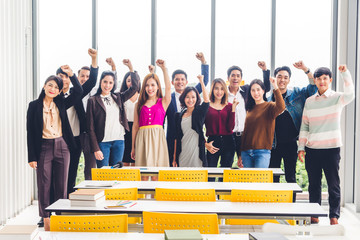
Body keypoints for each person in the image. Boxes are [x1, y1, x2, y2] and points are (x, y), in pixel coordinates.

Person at [27, 65, 83, 231]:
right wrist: (32, 156)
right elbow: (30, 132)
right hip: (43, 147)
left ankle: (59, 217)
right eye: (50, 85)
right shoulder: (34, 106)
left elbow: (79, 92)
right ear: (44, 86)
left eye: (56, 87)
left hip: (62, 146)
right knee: (44, 184)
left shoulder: (62, 104)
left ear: (60, 91)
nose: (52, 89)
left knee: (61, 185)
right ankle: (46, 219)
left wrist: (72, 75)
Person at [298, 65, 354, 225]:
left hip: (331, 149)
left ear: (330, 80)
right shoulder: (309, 101)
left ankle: (334, 216)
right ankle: (314, 214)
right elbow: (305, 126)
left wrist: (345, 73)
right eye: (319, 78)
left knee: (333, 185)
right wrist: (301, 147)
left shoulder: (337, 97)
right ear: (315, 81)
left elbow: (350, 95)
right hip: (313, 149)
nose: (322, 81)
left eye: (325, 78)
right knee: (314, 184)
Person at [56, 48, 98, 194]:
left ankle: (66, 204)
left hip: (75, 139)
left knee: (72, 172)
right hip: (57, 139)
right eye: (60, 76)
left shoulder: (76, 93)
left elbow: (92, 81)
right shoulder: (52, 97)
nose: (63, 79)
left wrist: (94, 59)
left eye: (66, 76)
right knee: (57, 175)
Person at [268, 61, 317, 183]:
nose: (282, 80)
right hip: (274, 144)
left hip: (290, 143)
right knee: (273, 178)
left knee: (291, 176)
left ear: (289, 80)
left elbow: (313, 87)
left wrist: (305, 69)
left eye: (285, 77)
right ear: (275, 79)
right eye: (279, 76)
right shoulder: (269, 99)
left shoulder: (297, 94)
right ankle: (273, 203)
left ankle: (291, 202)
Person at [87, 59, 139, 168]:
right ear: (100, 82)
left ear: (114, 83)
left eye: (111, 82)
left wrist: (131, 68)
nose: (107, 85)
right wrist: (96, 148)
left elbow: (134, 88)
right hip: (102, 143)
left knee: (116, 175)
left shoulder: (119, 97)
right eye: (105, 82)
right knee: (103, 175)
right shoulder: (93, 100)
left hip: (119, 141)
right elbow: (90, 127)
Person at [166, 53, 209, 166]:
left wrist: (203, 62)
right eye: (177, 79)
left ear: (186, 81)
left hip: (194, 144)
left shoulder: (192, 93)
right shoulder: (167, 99)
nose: (180, 81)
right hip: (173, 140)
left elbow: (204, 82)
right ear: (172, 82)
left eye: (182, 79)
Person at [226, 62, 270, 167]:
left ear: (241, 78)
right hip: (229, 135)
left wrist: (265, 71)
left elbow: (265, 88)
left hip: (244, 135)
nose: (235, 78)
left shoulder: (246, 91)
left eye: (238, 76)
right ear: (228, 78)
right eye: (233, 75)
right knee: (226, 165)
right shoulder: (223, 94)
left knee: (245, 166)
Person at [131, 59, 171, 172]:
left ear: (158, 87)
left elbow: (168, 88)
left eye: (153, 85)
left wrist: (164, 69)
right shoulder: (139, 105)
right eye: (147, 85)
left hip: (158, 138)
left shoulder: (163, 102)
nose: (150, 88)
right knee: (142, 173)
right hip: (142, 139)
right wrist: (133, 147)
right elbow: (135, 126)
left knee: (156, 174)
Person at [239, 77, 285, 168]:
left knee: (260, 181)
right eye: (253, 90)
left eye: (258, 90)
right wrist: (241, 153)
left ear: (263, 91)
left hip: (262, 151)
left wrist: (275, 86)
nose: (256, 93)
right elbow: (246, 132)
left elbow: (281, 107)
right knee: (247, 182)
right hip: (246, 152)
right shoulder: (249, 109)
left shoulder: (270, 106)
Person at [173, 75, 209, 167]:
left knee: (198, 179)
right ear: (183, 98)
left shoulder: (199, 112)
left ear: (197, 98)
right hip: (183, 152)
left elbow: (206, 100)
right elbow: (176, 138)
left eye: (193, 97)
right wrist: (174, 158)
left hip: (197, 153)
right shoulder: (178, 115)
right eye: (187, 97)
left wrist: (201, 81)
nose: (190, 100)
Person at [205, 78, 238, 175]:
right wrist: (205, 143)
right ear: (212, 90)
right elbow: (198, 127)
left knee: (225, 174)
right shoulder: (206, 106)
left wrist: (233, 110)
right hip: (212, 142)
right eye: (216, 88)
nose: (219, 92)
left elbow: (230, 128)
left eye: (222, 89)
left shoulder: (229, 106)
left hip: (228, 142)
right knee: (210, 174)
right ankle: (210, 190)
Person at [120, 64, 141, 166]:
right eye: (128, 80)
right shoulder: (122, 97)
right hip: (124, 129)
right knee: (124, 160)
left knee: (135, 161)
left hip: (138, 129)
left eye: (133, 80)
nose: (131, 83)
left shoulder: (143, 97)